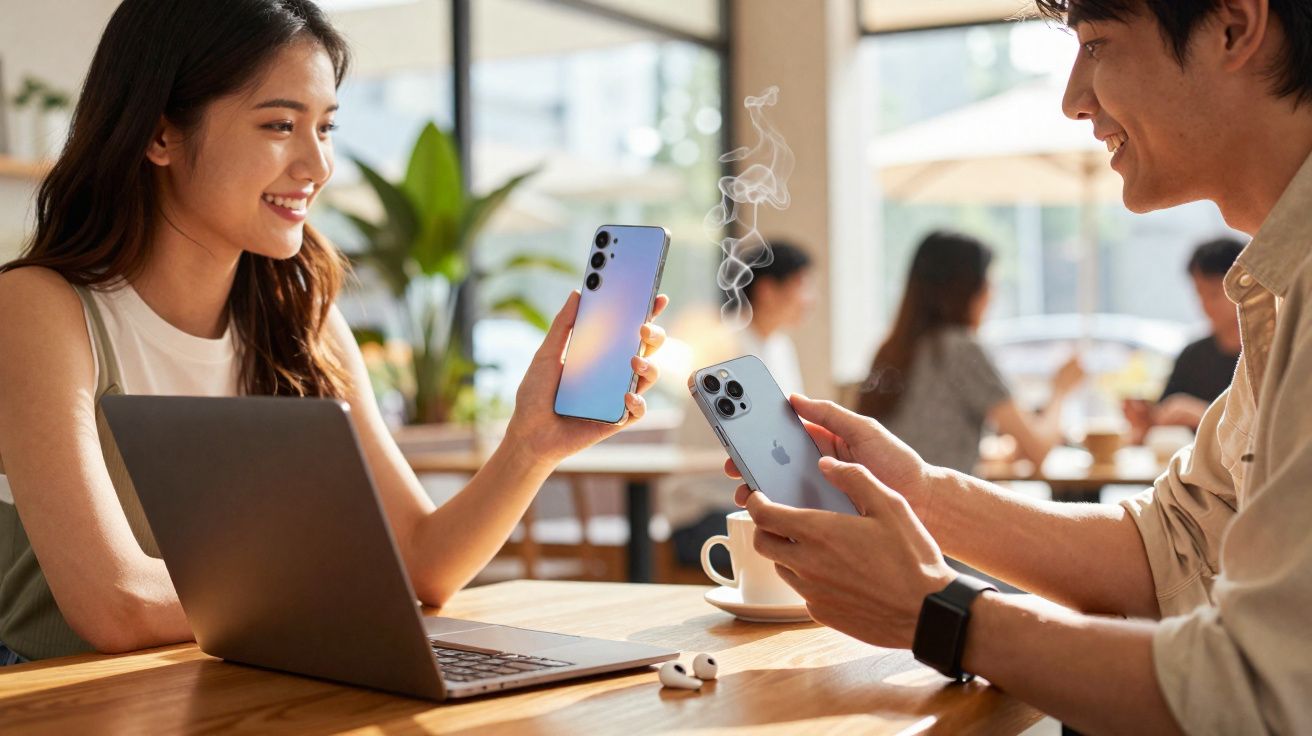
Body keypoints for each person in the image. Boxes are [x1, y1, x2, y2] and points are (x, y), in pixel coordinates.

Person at [0, 0, 668, 664]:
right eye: (280, 124)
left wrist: (530, 446)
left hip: (237, 692)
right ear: (160, 135)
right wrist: (354, 593)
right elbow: (117, 605)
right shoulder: (38, 309)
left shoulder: (302, 317)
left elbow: (422, 564)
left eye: (325, 128)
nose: (317, 166)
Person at [725, 0, 1312, 733]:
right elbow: (1173, 547)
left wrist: (937, 612)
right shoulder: (1281, 294)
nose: (1073, 99)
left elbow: (1264, 693)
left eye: (1097, 45)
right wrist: (922, 494)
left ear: (1233, 27)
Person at [856, 230, 1084, 474]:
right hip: (930, 508)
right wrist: (1061, 390)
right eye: (988, 282)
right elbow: (1038, 451)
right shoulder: (960, 350)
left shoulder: (892, 350)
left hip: (884, 504)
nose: (992, 294)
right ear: (968, 290)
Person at [666, 240, 817, 571]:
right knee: (806, 551)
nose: (810, 301)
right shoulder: (727, 349)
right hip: (706, 510)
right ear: (767, 290)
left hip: (752, 503)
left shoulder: (778, 346)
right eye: (801, 287)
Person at [1124, 236, 1244, 442]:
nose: (1205, 305)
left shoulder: (1267, 353)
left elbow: (1265, 428)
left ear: (1245, 287)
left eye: (1214, 294)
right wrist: (1146, 421)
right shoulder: (1193, 355)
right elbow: (1161, 420)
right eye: (1200, 294)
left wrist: (1203, 414)